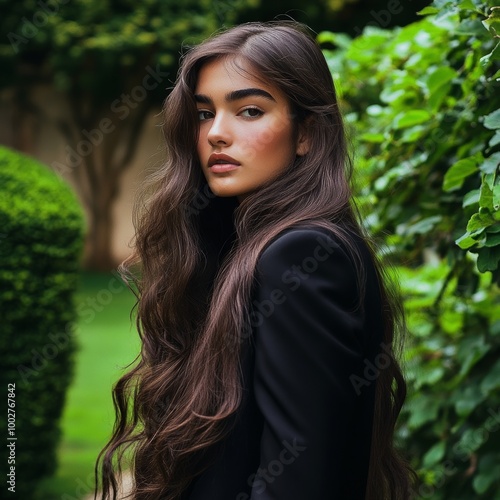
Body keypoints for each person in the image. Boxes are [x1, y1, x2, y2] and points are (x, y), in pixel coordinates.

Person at [96, 21, 414, 500]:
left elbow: (300, 482)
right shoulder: (245, 249)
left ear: (306, 133)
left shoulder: (302, 254)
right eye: (204, 114)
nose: (217, 134)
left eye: (248, 110)